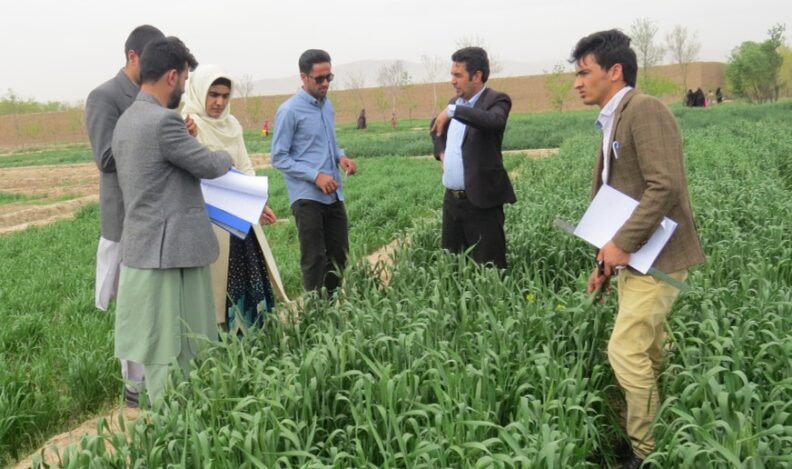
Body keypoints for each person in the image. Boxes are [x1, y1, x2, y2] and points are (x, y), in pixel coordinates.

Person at [571, 30, 705, 467]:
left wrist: (623, 244)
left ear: (614, 71)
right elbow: (619, 199)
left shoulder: (644, 110)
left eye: (584, 72)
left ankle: (646, 452)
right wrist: (606, 261)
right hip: (636, 258)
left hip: (657, 256)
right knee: (647, 349)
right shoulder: (614, 117)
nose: (577, 82)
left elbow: (663, 185)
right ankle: (671, 421)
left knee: (625, 350)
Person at [111, 37, 234, 405]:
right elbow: (209, 166)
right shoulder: (165, 122)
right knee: (175, 342)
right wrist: (226, 153)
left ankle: (155, 413)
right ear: (170, 76)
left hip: (142, 248)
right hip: (172, 252)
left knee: (152, 341)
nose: (184, 85)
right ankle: (177, 422)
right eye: (183, 77)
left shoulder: (126, 120)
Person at [85, 24, 164, 408]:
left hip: (153, 213)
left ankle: (157, 374)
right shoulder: (105, 97)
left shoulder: (156, 97)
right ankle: (134, 388)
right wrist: (150, 138)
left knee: (152, 299)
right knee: (131, 303)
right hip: (123, 217)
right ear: (133, 56)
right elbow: (105, 157)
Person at [181, 64, 289, 333]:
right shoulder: (188, 124)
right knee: (218, 288)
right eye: (213, 94)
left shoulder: (232, 124)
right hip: (211, 221)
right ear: (199, 92)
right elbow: (196, 172)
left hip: (240, 216)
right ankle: (223, 344)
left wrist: (258, 202)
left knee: (246, 279)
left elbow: (244, 164)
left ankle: (253, 337)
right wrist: (187, 138)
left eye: (225, 96)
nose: (219, 102)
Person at [272, 49, 357, 294]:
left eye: (328, 77)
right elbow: (279, 157)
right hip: (307, 197)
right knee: (314, 258)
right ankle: (314, 314)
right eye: (319, 78)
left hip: (333, 193)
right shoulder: (289, 111)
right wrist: (315, 175)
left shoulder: (326, 106)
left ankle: (329, 306)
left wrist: (341, 157)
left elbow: (330, 141)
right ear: (303, 77)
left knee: (339, 253)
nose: (324, 84)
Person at [430, 47, 516, 269]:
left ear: (476, 76)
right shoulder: (455, 103)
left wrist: (452, 111)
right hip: (452, 202)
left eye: (458, 75)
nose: (452, 81)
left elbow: (493, 121)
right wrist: (442, 153)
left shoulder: (497, 100)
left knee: (489, 267)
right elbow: (436, 130)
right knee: (453, 266)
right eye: (452, 75)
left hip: (482, 201)